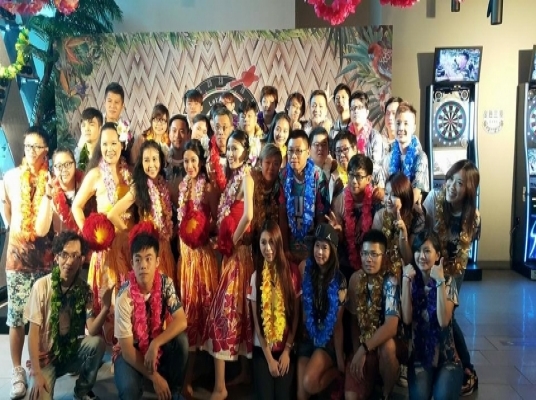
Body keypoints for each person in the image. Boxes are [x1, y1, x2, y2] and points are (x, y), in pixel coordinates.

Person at [2, 126, 54, 400]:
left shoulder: (50, 179)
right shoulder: (11, 176)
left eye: (37, 147)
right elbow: (5, 204)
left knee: (42, 317)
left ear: (46, 150)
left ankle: (40, 365)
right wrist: (12, 226)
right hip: (17, 259)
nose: (32, 152)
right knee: (16, 317)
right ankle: (17, 371)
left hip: (44, 260)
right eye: (28, 146)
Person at [203, 130, 255, 400]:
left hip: (239, 254)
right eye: (229, 148)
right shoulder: (233, 177)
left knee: (224, 315)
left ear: (246, 151)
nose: (232, 153)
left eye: (236, 148)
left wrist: (230, 243)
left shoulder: (246, 177)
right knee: (238, 312)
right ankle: (243, 373)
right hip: (231, 254)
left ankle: (220, 387)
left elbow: (248, 215)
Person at [25, 231, 108, 400]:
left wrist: (106, 307)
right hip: (44, 361)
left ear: (82, 260)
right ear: (56, 257)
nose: (69, 261)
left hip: (69, 353)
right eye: (64, 255)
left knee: (98, 343)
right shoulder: (41, 286)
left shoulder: (84, 290)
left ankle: (82, 391)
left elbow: (92, 330)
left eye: (75, 256)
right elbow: (33, 334)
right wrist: (37, 373)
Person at [422, 159, 481, 396]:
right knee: (433, 311)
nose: (452, 186)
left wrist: (448, 281)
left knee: (448, 315)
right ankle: (441, 359)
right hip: (432, 265)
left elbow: (464, 251)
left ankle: (466, 367)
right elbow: (424, 234)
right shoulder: (433, 200)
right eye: (451, 179)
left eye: (460, 183)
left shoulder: (473, 216)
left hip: (455, 270)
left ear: (469, 190)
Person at [72, 122, 134, 345]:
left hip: (128, 249)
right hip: (106, 252)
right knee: (108, 304)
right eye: (105, 144)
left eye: (114, 143)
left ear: (122, 144)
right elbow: (76, 206)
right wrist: (89, 234)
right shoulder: (95, 174)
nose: (109, 149)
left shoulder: (129, 173)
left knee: (128, 306)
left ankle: (126, 352)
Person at [113, 223, 189, 400]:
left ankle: (173, 392)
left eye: (148, 259)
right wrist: (155, 378)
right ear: (132, 264)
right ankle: (145, 381)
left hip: (155, 345)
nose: (143, 265)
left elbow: (181, 321)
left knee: (181, 341)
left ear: (157, 261)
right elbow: (127, 350)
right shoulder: (124, 296)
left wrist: (155, 344)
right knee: (129, 389)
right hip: (129, 353)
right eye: (138, 260)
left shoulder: (165, 283)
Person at [177, 139, 219, 398]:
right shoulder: (182, 185)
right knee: (187, 316)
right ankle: (187, 376)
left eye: (194, 160)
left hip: (202, 259)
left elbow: (217, 220)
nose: (190, 165)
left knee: (202, 314)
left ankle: (201, 377)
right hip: (185, 259)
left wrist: (202, 229)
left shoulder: (209, 187)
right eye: (186, 161)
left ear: (201, 161)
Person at [401, 230, 463, 400]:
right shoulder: (411, 280)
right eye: (418, 250)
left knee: (443, 396)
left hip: (447, 359)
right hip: (421, 357)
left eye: (427, 251)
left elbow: (443, 321)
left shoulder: (448, 281)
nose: (421, 256)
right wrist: (405, 281)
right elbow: (406, 318)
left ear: (437, 256)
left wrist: (440, 282)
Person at [345, 229, 403, 400]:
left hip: (386, 345)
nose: (368, 259)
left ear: (383, 257)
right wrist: (357, 352)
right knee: (350, 396)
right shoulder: (355, 279)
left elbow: (391, 327)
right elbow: (354, 321)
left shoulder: (390, 281)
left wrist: (363, 349)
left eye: (374, 254)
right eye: (364, 253)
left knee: (388, 347)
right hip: (364, 344)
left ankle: (386, 393)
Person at [108, 140, 175, 283]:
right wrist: (131, 235)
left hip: (165, 249)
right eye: (146, 160)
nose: (151, 165)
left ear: (161, 161)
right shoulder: (138, 188)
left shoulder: (165, 185)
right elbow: (112, 214)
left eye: (154, 159)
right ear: (141, 163)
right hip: (148, 251)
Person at [247, 220, 301, 400]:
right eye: (263, 243)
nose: (268, 248)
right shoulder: (256, 277)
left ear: (279, 242)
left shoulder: (292, 273)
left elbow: (295, 316)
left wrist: (287, 351)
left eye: (272, 242)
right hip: (264, 350)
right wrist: (270, 359)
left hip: (286, 348)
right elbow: (257, 323)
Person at [297, 223, 346, 400]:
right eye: (317, 246)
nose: (319, 252)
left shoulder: (340, 281)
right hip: (307, 338)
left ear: (332, 250)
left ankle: (335, 374)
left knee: (309, 382)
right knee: (301, 396)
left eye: (324, 247)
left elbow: (338, 325)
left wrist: (340, 361)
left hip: (326, 342)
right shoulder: (305, 269)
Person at [279, 129, 330, 264]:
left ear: (308, 152)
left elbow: (321, 216)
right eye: (290, 151)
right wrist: (285, 248)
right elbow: (282, 215)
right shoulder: (283, 176)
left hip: (312, 245)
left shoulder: (318, 176)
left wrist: (316, 249)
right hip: (290, 244)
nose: (293, 156)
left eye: (298, 151)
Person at [372, 172, 426, 267]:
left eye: (394, 195)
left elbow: (409, 260)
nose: (388, 200)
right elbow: (374, 252)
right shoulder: (380, 215)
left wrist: (403, 233)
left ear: (404, 197)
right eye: (386, 194)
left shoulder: (417, 217)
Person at [383, 102, 429, 204]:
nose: (401, 128)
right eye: (398, 123)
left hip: (412, 209)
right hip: (391, 206)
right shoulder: (388, 158)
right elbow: (384, 190)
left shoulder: (420, 157)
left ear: (413, 128)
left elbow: (416, 193)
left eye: (406, 123)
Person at [35, 147, 85, 236]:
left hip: (86, 241)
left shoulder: (85, 185)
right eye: (59, 166)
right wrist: (48, 196)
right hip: (63, 243)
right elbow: (41, 232)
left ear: (75, 164)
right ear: (53, 170)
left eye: (67, 164)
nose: (64, 169)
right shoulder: (51, 193)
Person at [251, 144, 283, 268]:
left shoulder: (281, 187)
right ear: (260, 162)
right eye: (267, 162)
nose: (271, 168)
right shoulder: (251, 182)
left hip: (272, 246)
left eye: (276, 164)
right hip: (252, 243)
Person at [348, 91, 385, 194]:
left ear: (367, 112)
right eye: (353, 108)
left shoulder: (375, 137)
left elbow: (376, 168)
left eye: (360, 107)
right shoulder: (347, 136)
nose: (356, 111)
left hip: (371, 188)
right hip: (350, 185)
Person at [102, 82, 132, 157]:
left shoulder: (125, 129)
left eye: (116, 102)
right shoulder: (96, 123)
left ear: (122, 106)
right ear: (104, 103)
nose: (112, 106)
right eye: (109, 101)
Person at [208, 107, 234, 192]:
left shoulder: (238, 156)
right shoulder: (207, 155)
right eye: (217, 127)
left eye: (224, 127)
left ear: (231, 129)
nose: (221, 132)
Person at [165, 114, 190, 204]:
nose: (177, 135)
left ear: (188, 134)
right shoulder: (162, 160)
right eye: (174, 131)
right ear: (169, 134)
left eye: (182, 131)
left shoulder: (192, 161)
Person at [330, 131, 358, 203]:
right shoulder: (332, 178)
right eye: (338, 151)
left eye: (345, 149)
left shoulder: (364, 174)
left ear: (355, 149)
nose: (342, 155)